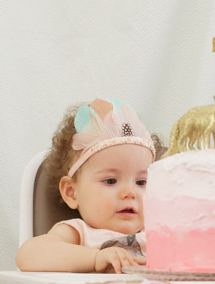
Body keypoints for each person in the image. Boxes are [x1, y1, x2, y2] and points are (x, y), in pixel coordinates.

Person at [16, 98, 161, 273]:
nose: (130, 192)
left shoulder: (158, 231)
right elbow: (28, 255)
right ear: (71, 192)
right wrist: (94, 258)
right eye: (110, 181)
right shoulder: (81, 233)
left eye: (141, 182)